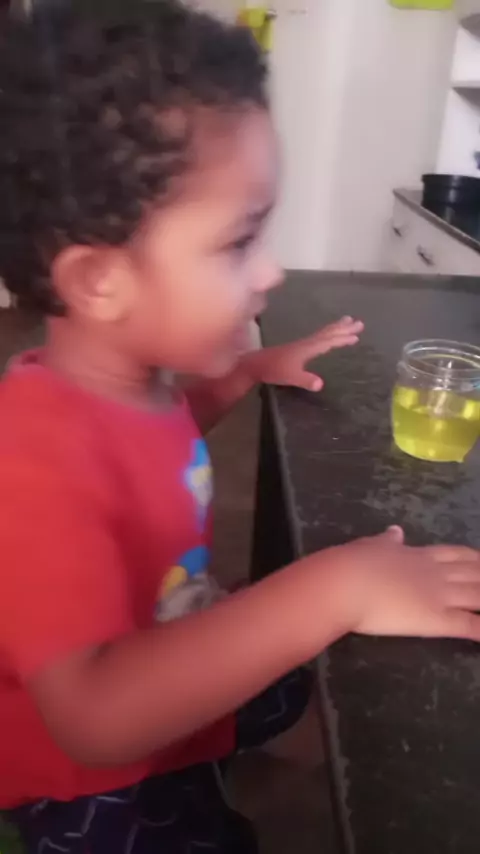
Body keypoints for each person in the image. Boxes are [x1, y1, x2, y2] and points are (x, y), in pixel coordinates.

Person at [0, 2, 480, 852]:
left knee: (294, 672)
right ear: (101, 281)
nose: (271, 271)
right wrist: (332, 589)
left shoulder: (129, 384)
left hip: (182, 639)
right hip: (102, 789)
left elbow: (154, 448)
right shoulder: (30, 462)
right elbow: (96, 719)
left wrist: (245, 373)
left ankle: (247, 745)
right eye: (238, 242)